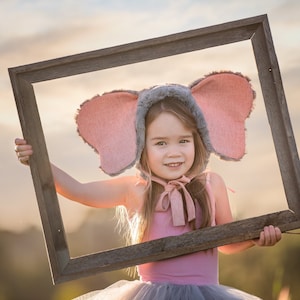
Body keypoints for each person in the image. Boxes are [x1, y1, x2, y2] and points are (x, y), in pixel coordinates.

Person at [15, 71, 282, 300]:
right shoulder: (136, 189)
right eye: (161, 143)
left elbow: (226, 242)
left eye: (183, 141)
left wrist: (254, 238)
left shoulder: (212, 184)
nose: (174, 152)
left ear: (197, 140)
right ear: (143, 147)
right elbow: (78, 190)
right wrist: (37, 161)